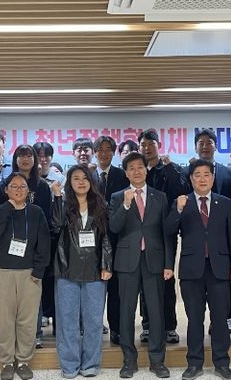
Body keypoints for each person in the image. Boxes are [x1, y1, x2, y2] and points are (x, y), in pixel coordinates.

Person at [165, 159, 231, 380]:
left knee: (220, 319)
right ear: (191, 179)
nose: (202, 178)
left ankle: (222, 363)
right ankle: (194, 363)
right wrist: (178, 210)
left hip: (219, 268)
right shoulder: (182, 201)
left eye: (206, 174)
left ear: (213, 177)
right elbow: (168, 230)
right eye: (197, 174)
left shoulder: (225, 203)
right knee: (195, 319)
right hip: (191, 270)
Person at [109, 152, 174, 379]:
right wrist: (126, 205)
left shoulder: (160, 197)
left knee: (156, 313)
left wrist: (168, 263)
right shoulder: (118, 197)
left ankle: (157, 361)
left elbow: (167, 234)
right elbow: (114, 228)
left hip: (154, 261)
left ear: (146, 170)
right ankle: (129, 360)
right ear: (126, 173)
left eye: (140, 167)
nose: (136, 171)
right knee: (126, 312)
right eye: (131, 168)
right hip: (127, 261)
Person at [0, 173, 50, 380]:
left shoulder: (36, 212)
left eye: (23, 186)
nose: (19, 190)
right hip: (1, 273)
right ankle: (6, 362)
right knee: (3, 320)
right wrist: (9, 207)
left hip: (29, 274)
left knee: (27, 320)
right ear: (6, 190)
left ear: (28, 190)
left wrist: (39, 270)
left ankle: (23, 361)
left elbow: (44, 243)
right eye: (14, 186)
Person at [51, 166, 113, 378]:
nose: (81, 182)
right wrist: (57, 197)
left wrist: (106, 265)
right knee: (67, 320)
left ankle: (90, 363)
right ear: (69, 182)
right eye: (76, 178)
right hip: (67, 267)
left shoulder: (101, 205)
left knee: (93, 320)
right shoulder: (63, 204)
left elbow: (106, 237)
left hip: (95, 269)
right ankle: (69, 365)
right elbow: (56, 224)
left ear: (91, 182)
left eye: (85, 178)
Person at [138, 129, 188, 344]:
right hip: (142, 233)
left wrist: (168, 169)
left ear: (159, 146)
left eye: (151, 144)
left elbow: (181, 190)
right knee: (144, 279)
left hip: (166, 231)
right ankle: (148, 325)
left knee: (167, 278)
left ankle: (169, 326)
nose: (147, 148)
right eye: (143, 144)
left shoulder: (170, 168)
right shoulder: (138, 170)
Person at [93, 135, 130, 345]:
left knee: (116, 288)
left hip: (117, 237)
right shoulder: (88, 176)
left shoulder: (122, 175)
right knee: (94, 286)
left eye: (108, 149)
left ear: (114, 152)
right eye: (100, 149)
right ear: (95, 152)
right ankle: (93, 327)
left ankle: (116, 328)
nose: (104, 153)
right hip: (91, 239)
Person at [184, 129, 231, 200]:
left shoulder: (229, 173)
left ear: (216, 147)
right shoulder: (186, 172)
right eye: (201, 143)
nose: (205, 146)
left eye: (209, 143)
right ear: (195, 148)